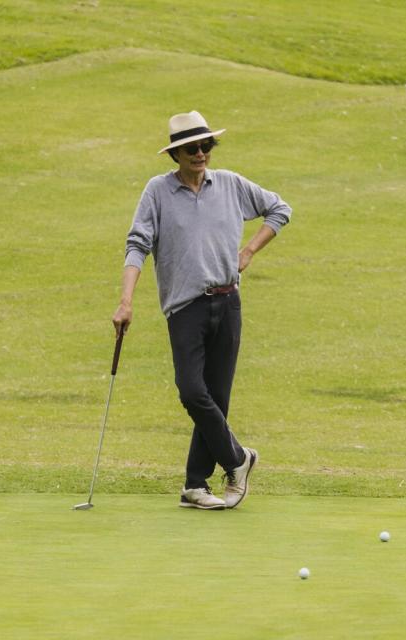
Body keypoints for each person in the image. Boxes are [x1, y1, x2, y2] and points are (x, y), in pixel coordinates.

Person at [112, 111, 292, 510]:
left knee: (217, 397)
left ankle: (195, 485)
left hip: (227, 302)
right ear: (175, 153)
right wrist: (126, 301)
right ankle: (238, 459)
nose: (200, 153)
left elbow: (280, 210)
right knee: (193, 392)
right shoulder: (157, 192)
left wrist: (248, 250)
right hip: (185, 307)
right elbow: (137, 245)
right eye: (191, 148)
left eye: (206, 145)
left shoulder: (230, 184)